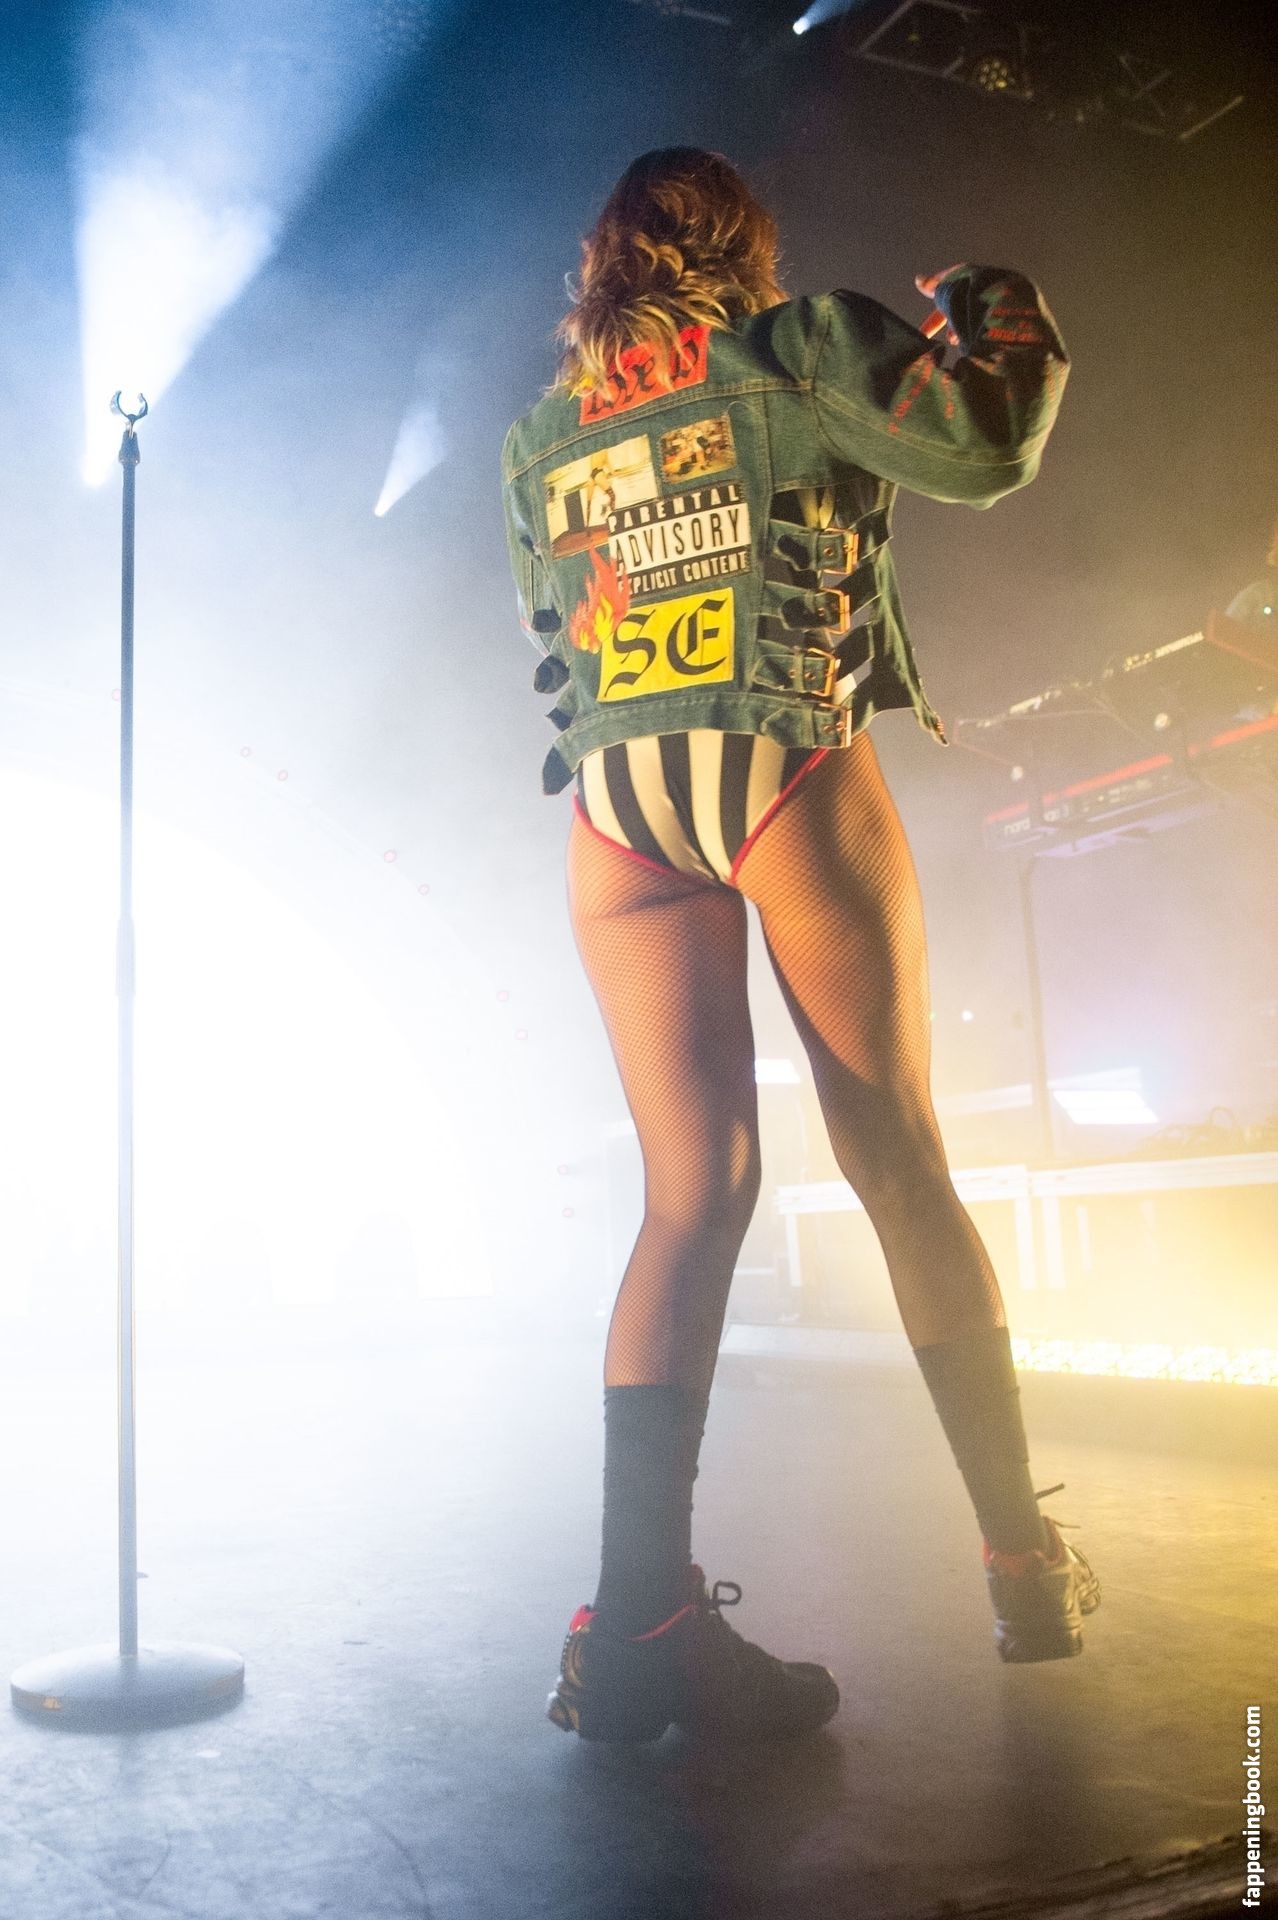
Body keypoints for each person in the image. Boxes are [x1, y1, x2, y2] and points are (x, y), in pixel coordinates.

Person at [501, 148, 1099, 1745]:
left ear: (600, 263)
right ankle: (1023, 1566)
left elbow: (554, 628)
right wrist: (991, 304)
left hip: (620, 809)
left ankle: (633, 1629)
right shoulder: (799, 347)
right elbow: (983, 447)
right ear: (739, 248)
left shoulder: (541, 433)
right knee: (897, 1157)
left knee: (685, 1201)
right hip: (776, 758)